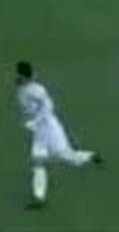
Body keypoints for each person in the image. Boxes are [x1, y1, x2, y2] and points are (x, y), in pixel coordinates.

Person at [14, 61, 102, 210]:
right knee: (38, 161)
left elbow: (49, 107)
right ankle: (39, 197)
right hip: (39, 132)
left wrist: (35, 121)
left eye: (20, 75)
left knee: (67, 158)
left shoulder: (37, 90)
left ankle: (90, 156)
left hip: (49, 128)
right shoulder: (22, 86)